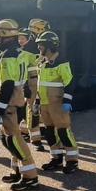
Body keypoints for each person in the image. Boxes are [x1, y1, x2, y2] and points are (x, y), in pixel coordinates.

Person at [0, 19, 39, 191]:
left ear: (5, 36)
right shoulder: (17, 53)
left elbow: (7, 84)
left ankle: (30, 177)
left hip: (9, 104)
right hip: (16, 102)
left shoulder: (8, 56)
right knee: (9, 140)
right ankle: (17, 171)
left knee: (14, 140)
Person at [36, 30, 79, 173]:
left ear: (49, 46)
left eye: (41, 45)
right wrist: (37, 102)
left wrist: (67, 100)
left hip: (58, 104)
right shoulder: (42, 63)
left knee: (63, 132)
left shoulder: (62, 62)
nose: (39, 48)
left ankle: (72, 161)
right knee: (49, 134)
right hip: (45, 104)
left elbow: (70, 82)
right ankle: (56, 159)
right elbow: (40, 84)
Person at [18, 28, 45, 151]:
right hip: (33, 83)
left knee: (32, 110)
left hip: (35, 83)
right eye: (18, 38)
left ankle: (33, 138)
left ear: (29, 38)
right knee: (32, 110)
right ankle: (35, 139)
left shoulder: (26, 52)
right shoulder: (36, 50)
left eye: (22, 38)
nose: (19, 41)